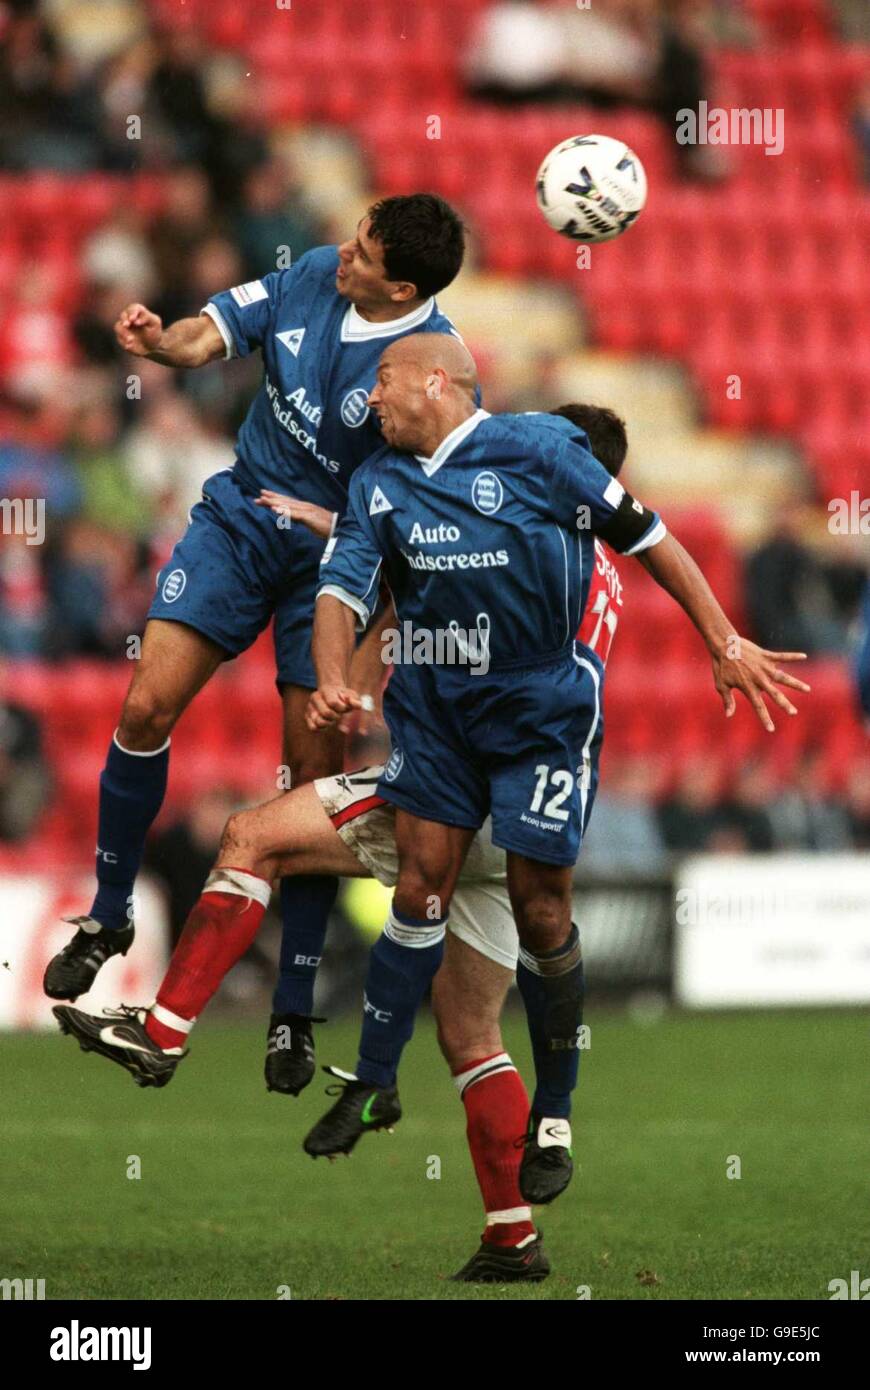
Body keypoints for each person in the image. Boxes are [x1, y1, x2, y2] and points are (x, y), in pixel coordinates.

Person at [51, 401, 630, 1286]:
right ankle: (512, 1234)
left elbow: (422, 581)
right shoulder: (593, 562)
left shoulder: (521, 537)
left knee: (250, 836)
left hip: (459, 798)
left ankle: (163, 1032)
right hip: (532, 821)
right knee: (472, 1031)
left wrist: (351, 554)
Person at [301, 332, 810, 1165]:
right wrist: (331, 675)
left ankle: (556, 1114)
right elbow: (339, 588)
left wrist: (722, 639)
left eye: (382, 381)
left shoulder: (540, 450)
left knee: (542, 908)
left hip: (540, 712)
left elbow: (650, 538)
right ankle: (374, 1080)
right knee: (420, 887)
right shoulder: (375, 481)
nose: (371, 400)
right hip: (434, 707)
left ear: (437, 381)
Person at [42, 196, 468, 1094]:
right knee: (145, 704)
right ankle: (110, 914)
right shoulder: (315, 272)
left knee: (307, 784)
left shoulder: (434, 372)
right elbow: (212, 335)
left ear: (403, 287)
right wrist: (162, 342)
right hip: (242, 520)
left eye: (362, 254)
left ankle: (294, 1007)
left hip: (335, 566)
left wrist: (361, 595)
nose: (340, 256)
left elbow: (435, 512)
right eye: (351, 239)